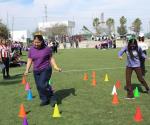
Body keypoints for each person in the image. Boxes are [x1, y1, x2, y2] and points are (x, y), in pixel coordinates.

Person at [24, 35, 61, 107]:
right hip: (36, 70)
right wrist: (27, 70)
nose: (36, 44)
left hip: (46, 69)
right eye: (35, 42)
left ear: (42, 41)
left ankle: (52, 97)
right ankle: (44, 99)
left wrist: (55, 67)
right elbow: (30, 59)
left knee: (42, 84)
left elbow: (51, 58)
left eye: (38, 42)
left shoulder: (47, 49)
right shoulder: (31, 49)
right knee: (39, 86)